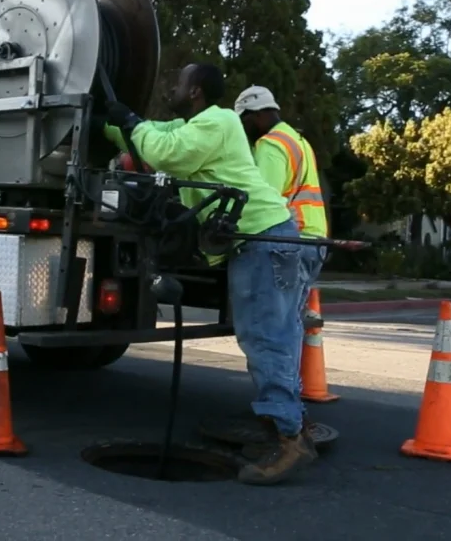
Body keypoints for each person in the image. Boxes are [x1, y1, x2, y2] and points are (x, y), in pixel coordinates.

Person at [100, 63, 317, 485]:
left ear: (195, 91)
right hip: (266, 239)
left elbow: (166, 152)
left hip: (261, 239)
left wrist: (128, 120)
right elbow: (160, 137)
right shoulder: (199, 126)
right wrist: (111, 124)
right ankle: (289, 425)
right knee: (276, 335)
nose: (172, 88)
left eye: (179, 83)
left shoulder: (217, 120)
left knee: (266, 337)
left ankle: (290, 441)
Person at [233, 85, 329, 311]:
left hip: (289, 240)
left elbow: (262, 202)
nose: (243, 130)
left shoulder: (270, 145)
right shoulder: (299, 141)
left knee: (273, 319)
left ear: (257, 115)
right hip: (313, 240)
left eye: (243, 122)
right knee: (290, 319)